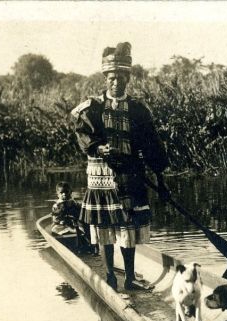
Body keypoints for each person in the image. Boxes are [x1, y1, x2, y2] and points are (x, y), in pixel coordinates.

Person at [70, 42, 171, 291]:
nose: (117, 83)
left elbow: (153, 147)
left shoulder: (138, 110)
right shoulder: (91, 107)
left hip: (130, 175)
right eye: (113, 78)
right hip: (100, 175)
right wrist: (98, 148)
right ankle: (110, 277)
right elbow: (81, 134)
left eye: (122, 78)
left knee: (128, 228)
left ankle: (129, 277)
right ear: (106, 78)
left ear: (128, 79)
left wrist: (161, 182)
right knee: (104, 227)